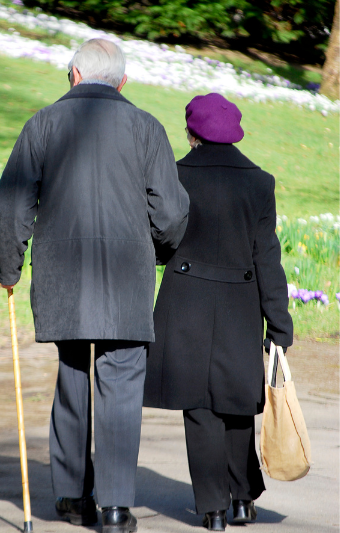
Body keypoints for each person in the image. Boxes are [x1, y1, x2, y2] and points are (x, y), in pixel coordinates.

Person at [0, 38, 189, 533]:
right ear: (121, 82)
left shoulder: (42, 124)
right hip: (126, 275)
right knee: (121, 383)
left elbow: (13, 206)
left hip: (63, 273)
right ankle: (116, 506)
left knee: (74, 372)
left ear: (74, 75)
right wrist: (159, 254)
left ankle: (71, 493)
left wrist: (9, 268)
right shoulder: (146, 127)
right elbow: (171, 211)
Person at [143, 93, 293, 532]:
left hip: (184, 300)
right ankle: (243, 499)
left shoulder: (174, 174)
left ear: (192, 133)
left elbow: (160, 239)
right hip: (239, 306)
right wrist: (279, 325)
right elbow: (268, 258)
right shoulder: (259, 182)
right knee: (235, 401)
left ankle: (212, 509)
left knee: (199, 406)